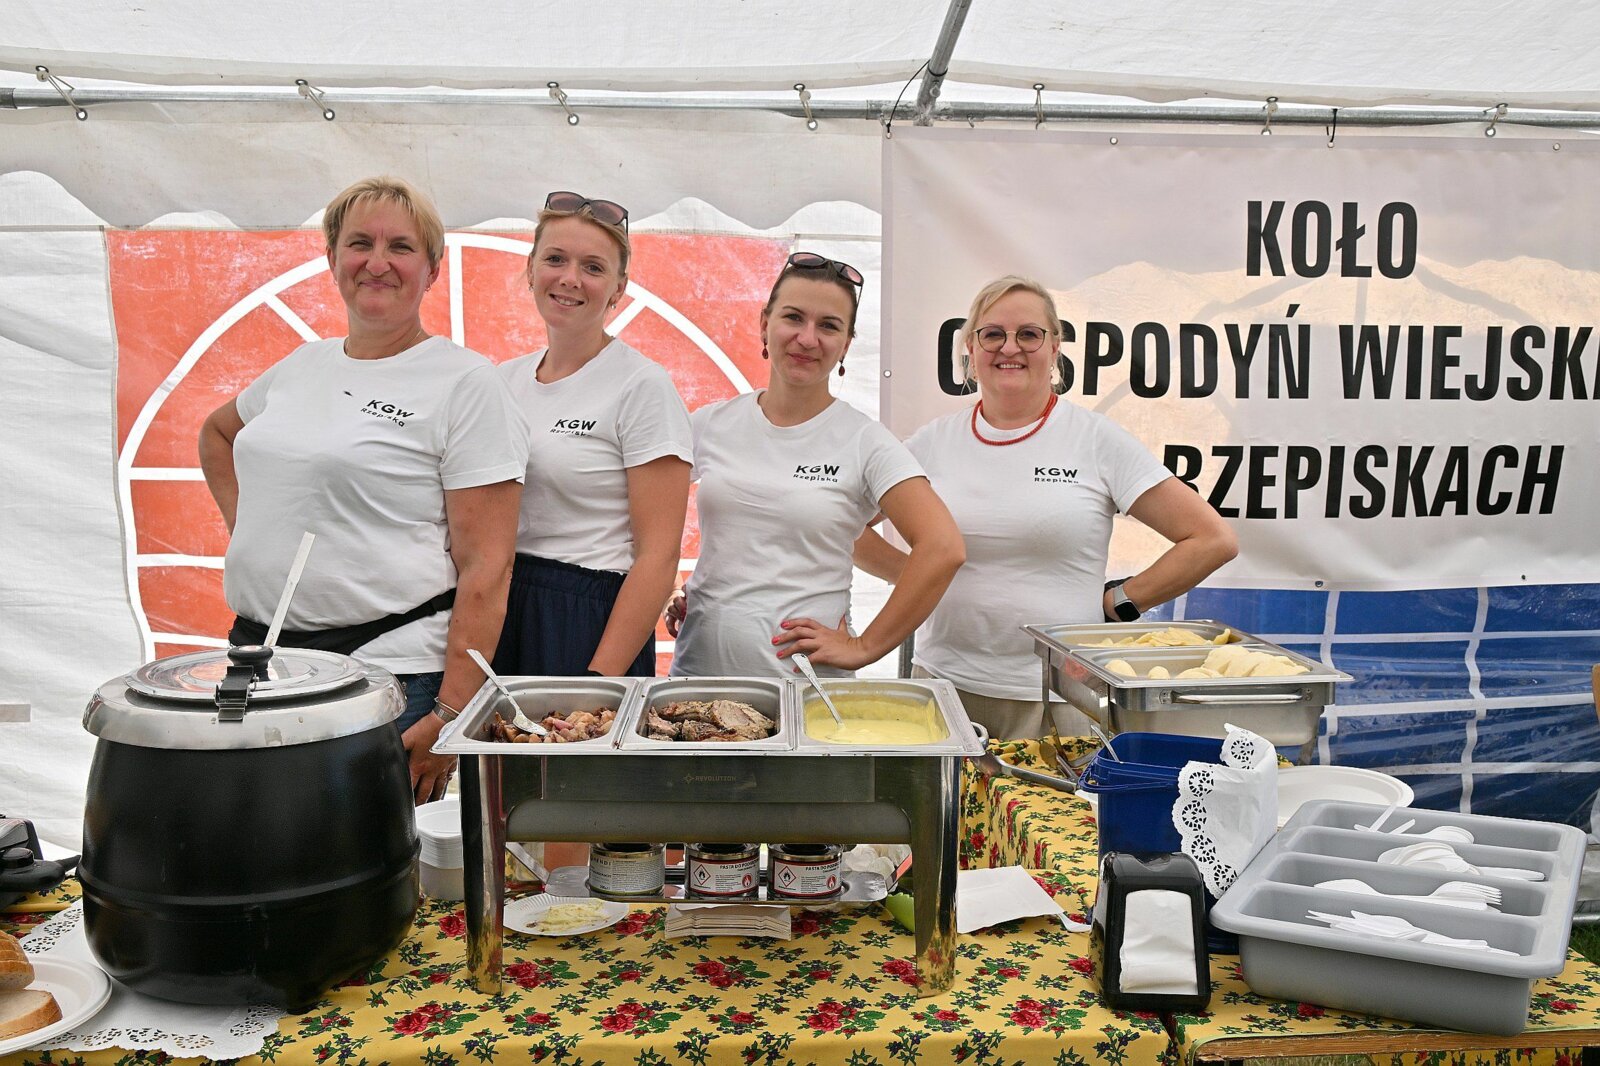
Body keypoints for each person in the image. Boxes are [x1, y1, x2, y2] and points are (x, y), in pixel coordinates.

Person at [199, 176, 527, 803]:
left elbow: (488, 566)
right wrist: (254, 533)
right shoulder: (304, 364)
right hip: (260, 663)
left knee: (362, 859)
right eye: (359, 244)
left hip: (387, 676)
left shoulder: (465, 384)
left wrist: (451, 712)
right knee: (266, 844)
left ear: (432, 269)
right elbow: (217, 433)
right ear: (332, 259)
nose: (377, 262)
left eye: (400, 247)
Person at [858, 275, 1238, 739]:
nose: (1009, 348)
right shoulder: (932, 443)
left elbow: (1211, 540)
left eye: (1029, 334)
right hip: (944, 691)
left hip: (1059, 699)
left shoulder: (1095, 439)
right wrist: (917, 576)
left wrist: (1119, 602)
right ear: (970, 349)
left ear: (1054, 347)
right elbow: (844, 527)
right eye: (992, 334)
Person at [667, 252, 965, 676]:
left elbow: (943, 547)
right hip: (699, 680)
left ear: (846, 345)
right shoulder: (711, 424)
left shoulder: (864, 441)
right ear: (764, 324)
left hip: (807, 692)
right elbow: (634, 511)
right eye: (793, 318)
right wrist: (666, 588)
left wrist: (865, 647)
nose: (807, 339)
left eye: (828, 326)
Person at [493, 192, 691, 678]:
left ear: (619, 288)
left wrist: (599, 681)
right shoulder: (501, 381)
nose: (570, 278)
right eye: (555, 259)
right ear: (530, 268)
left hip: (587, 619)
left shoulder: (641, 385)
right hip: (500, 608)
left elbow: (659, 557)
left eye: (593, 267)